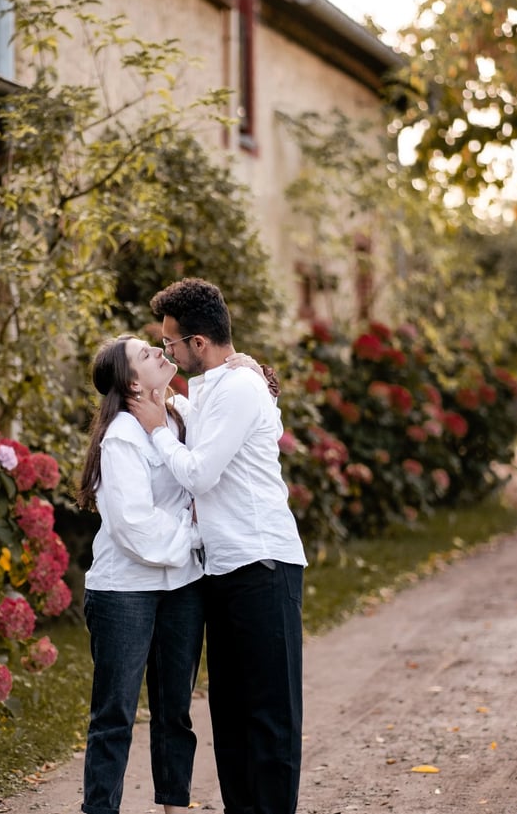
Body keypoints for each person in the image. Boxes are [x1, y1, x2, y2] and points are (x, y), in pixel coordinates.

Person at [129, 278, 307, 814]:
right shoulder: (221, 383)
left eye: (171, 345)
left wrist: (158, 427)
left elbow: (200, 473)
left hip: (263, 562)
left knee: (270, 715)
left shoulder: (239, 389)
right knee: (229, 714)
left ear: (198, 343)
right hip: (223, 568)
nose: (167, 353)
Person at [77, 334, 203, 814]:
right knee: (115, 715)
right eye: (145, 354)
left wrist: (254, 372)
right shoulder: (122, 437)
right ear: (132, 382)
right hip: (124, 593)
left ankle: (175, 807)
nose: (158, 351)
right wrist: (194, 537)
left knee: (176, 711)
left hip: (183, 589)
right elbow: (134, 525)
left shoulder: (182, 416)